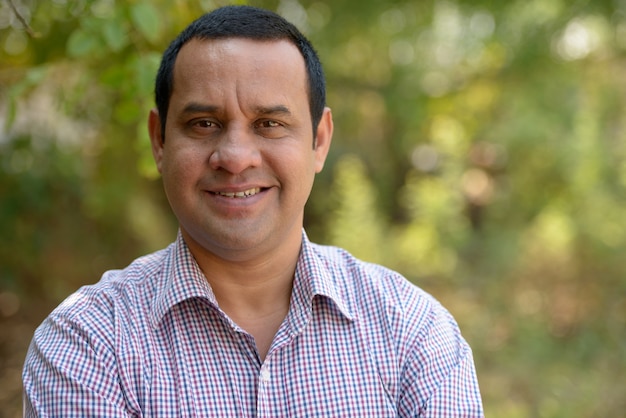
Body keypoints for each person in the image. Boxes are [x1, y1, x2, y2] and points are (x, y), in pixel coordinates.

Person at [22, 5, 483, 417]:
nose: (236, 156)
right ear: (159, 141)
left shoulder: (412, 331)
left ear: (319, 141)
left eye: (269, 124)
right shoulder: (86, 342)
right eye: (204, 124)